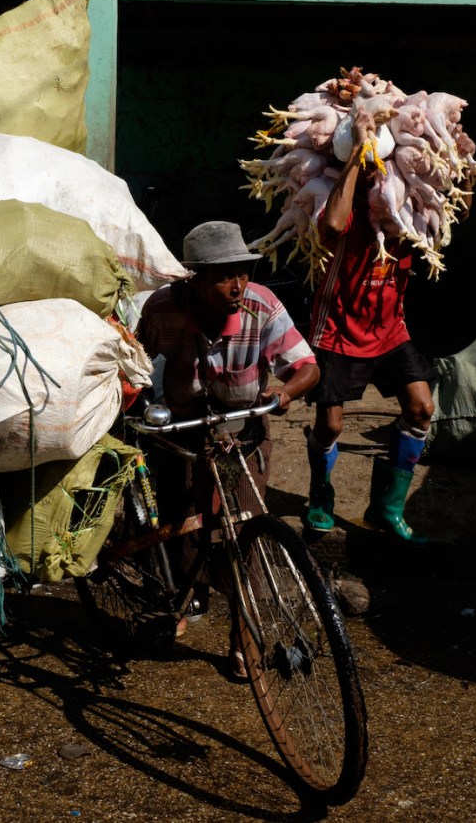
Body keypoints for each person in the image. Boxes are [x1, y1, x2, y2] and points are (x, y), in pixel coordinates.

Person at [136, 221, 319, 672]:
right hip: (183, 425)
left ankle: (244, 634)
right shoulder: (162, 307)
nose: (237, 285)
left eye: (241, 272)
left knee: (246, 529)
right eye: (223, 276)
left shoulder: (262, 304)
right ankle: (182, 599)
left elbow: (307, 366)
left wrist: (284, 394)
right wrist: (138, 401)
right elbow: (134, 360)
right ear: (193, 279)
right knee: (182, 519)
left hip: (243, 429)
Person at [304, 106, 437, 544]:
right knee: (331, 426)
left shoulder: (403, 198)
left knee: (421, 409)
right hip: (338, 329)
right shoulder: (340, 198)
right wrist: (356, 158)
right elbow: (334, 225)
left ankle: (387, 506)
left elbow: (453, 211)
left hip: (390, 329)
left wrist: (454, 161)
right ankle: (320, 496)